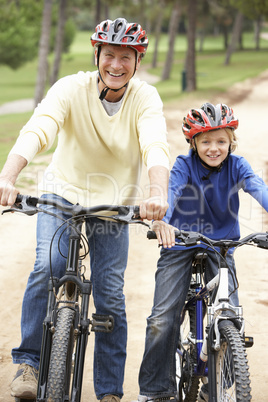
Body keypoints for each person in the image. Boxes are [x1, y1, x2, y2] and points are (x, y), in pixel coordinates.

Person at [0, 18, 170, 402]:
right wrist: (8, 177)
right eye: (109, 54)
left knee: (110, 294)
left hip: (114, 204)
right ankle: (28, 361)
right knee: (48, 267)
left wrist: (157, 192)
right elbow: (38, 129)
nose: (116, 64)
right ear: (97, 55)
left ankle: (109, 390)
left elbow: (155, 145)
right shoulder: (70, 88)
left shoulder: (145, 98)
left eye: (126, 57)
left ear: (138, 61)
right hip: (63, 193)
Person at [136, 102, 268, 401]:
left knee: (230, 315)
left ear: (231, 141)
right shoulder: (184, 165)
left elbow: (258, 188)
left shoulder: (238, 166)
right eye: (205, 141)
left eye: (221, 141)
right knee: (162, 317)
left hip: (220, 246)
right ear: (193, 143)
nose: (214, 148)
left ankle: (218, 384)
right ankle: (155, 391)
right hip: (180, 242)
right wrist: (161, 221)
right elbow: (171, 193)